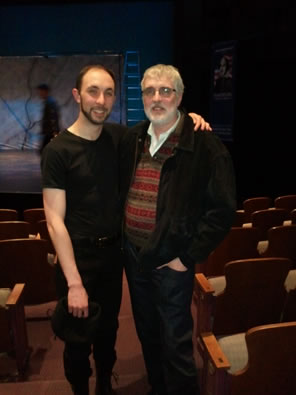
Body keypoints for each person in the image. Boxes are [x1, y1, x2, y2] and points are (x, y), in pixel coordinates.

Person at [40, 64, 211, 395]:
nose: (101, 100)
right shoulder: (57, 151)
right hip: (77, 259)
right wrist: (74, 282)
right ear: (77, 95)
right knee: (77, 341)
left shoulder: (120, 138)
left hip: (113, 257)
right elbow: (53, 220)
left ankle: (105, 385)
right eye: (93, 91)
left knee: (108, 333)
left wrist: (190, 119)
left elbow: (162, 120)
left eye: (108, 92)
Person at [122, 64, 236, 395]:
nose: (156, 98)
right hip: (135, 257)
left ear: (180, 96)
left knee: (175, 342)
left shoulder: (205, 146)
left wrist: (186, 257)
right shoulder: (133, 138)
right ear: (142, 96)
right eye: (149, 91)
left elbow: (222, 211)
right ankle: (158, 388)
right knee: (147, 333)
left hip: (173, 261)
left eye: (165, 90)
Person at [37, 83, 60, 153]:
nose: (39, 93)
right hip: (48, 132)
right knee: (45, 151)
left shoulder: (50, 102)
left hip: (50, 132)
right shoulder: (48, 102)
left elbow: (53, 118)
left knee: (45, 151)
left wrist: (54, 132)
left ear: (45, 92)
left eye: (41, 91)